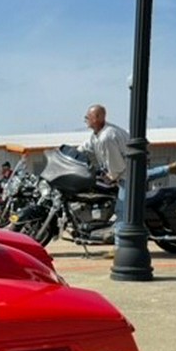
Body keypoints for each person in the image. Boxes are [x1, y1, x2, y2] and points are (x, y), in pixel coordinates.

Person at [78, 104, 129, 254]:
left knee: (121, 211)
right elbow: (85, 148)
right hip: (121, 173)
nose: (86, 119)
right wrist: (68, 154)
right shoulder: (97, 134)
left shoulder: (107, 136)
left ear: (98, 118)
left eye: (88, 117)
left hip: (128, 177)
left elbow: (117, 165)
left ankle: (119, 249)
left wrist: (110, 177)